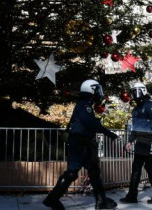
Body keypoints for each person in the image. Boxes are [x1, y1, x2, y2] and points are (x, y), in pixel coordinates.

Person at [43, 79, 120, 210]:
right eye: (97, 89)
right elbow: (92, 123)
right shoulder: (85, 105)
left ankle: (101, 201)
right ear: (91, 90)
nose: (99, 93)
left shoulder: (84, 104)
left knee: (94, 172)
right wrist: (110, 134)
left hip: (84, 142)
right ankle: (52, 199)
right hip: (80, 143)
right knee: (72, 173)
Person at [120, 82, 152, 204]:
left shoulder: (151, 106)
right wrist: (129, 141)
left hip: (150, 141)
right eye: (133, 92)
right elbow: (135, 127)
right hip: (141, 142)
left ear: (143, 91)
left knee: (148, 167)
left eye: (136, 91)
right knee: (138, 167)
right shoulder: (135, 109)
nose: (134, 94)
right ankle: (133, 195)